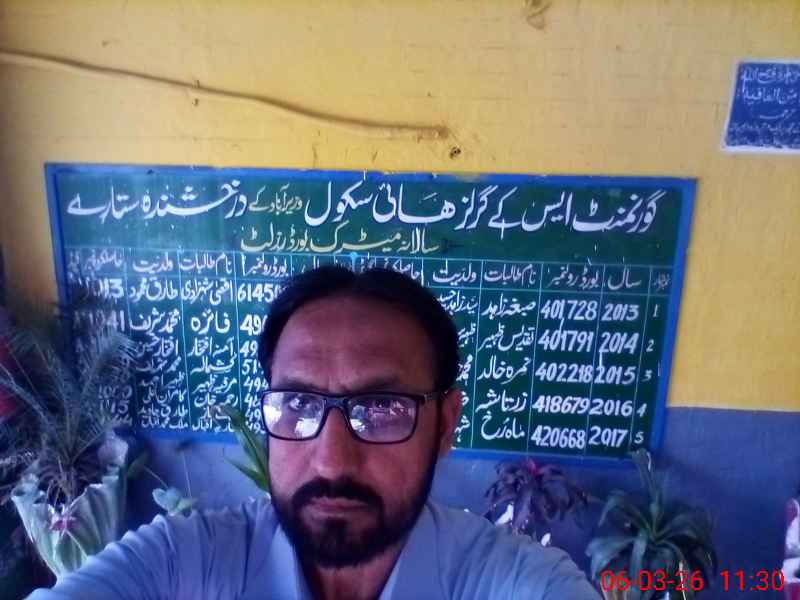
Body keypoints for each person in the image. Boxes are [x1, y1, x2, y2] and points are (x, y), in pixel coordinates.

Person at [28, 266, 599, 599]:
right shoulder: (187, 562)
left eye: (381, 408)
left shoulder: (510, 580)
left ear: (445, 423)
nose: (331, 461)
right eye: (298, 404)